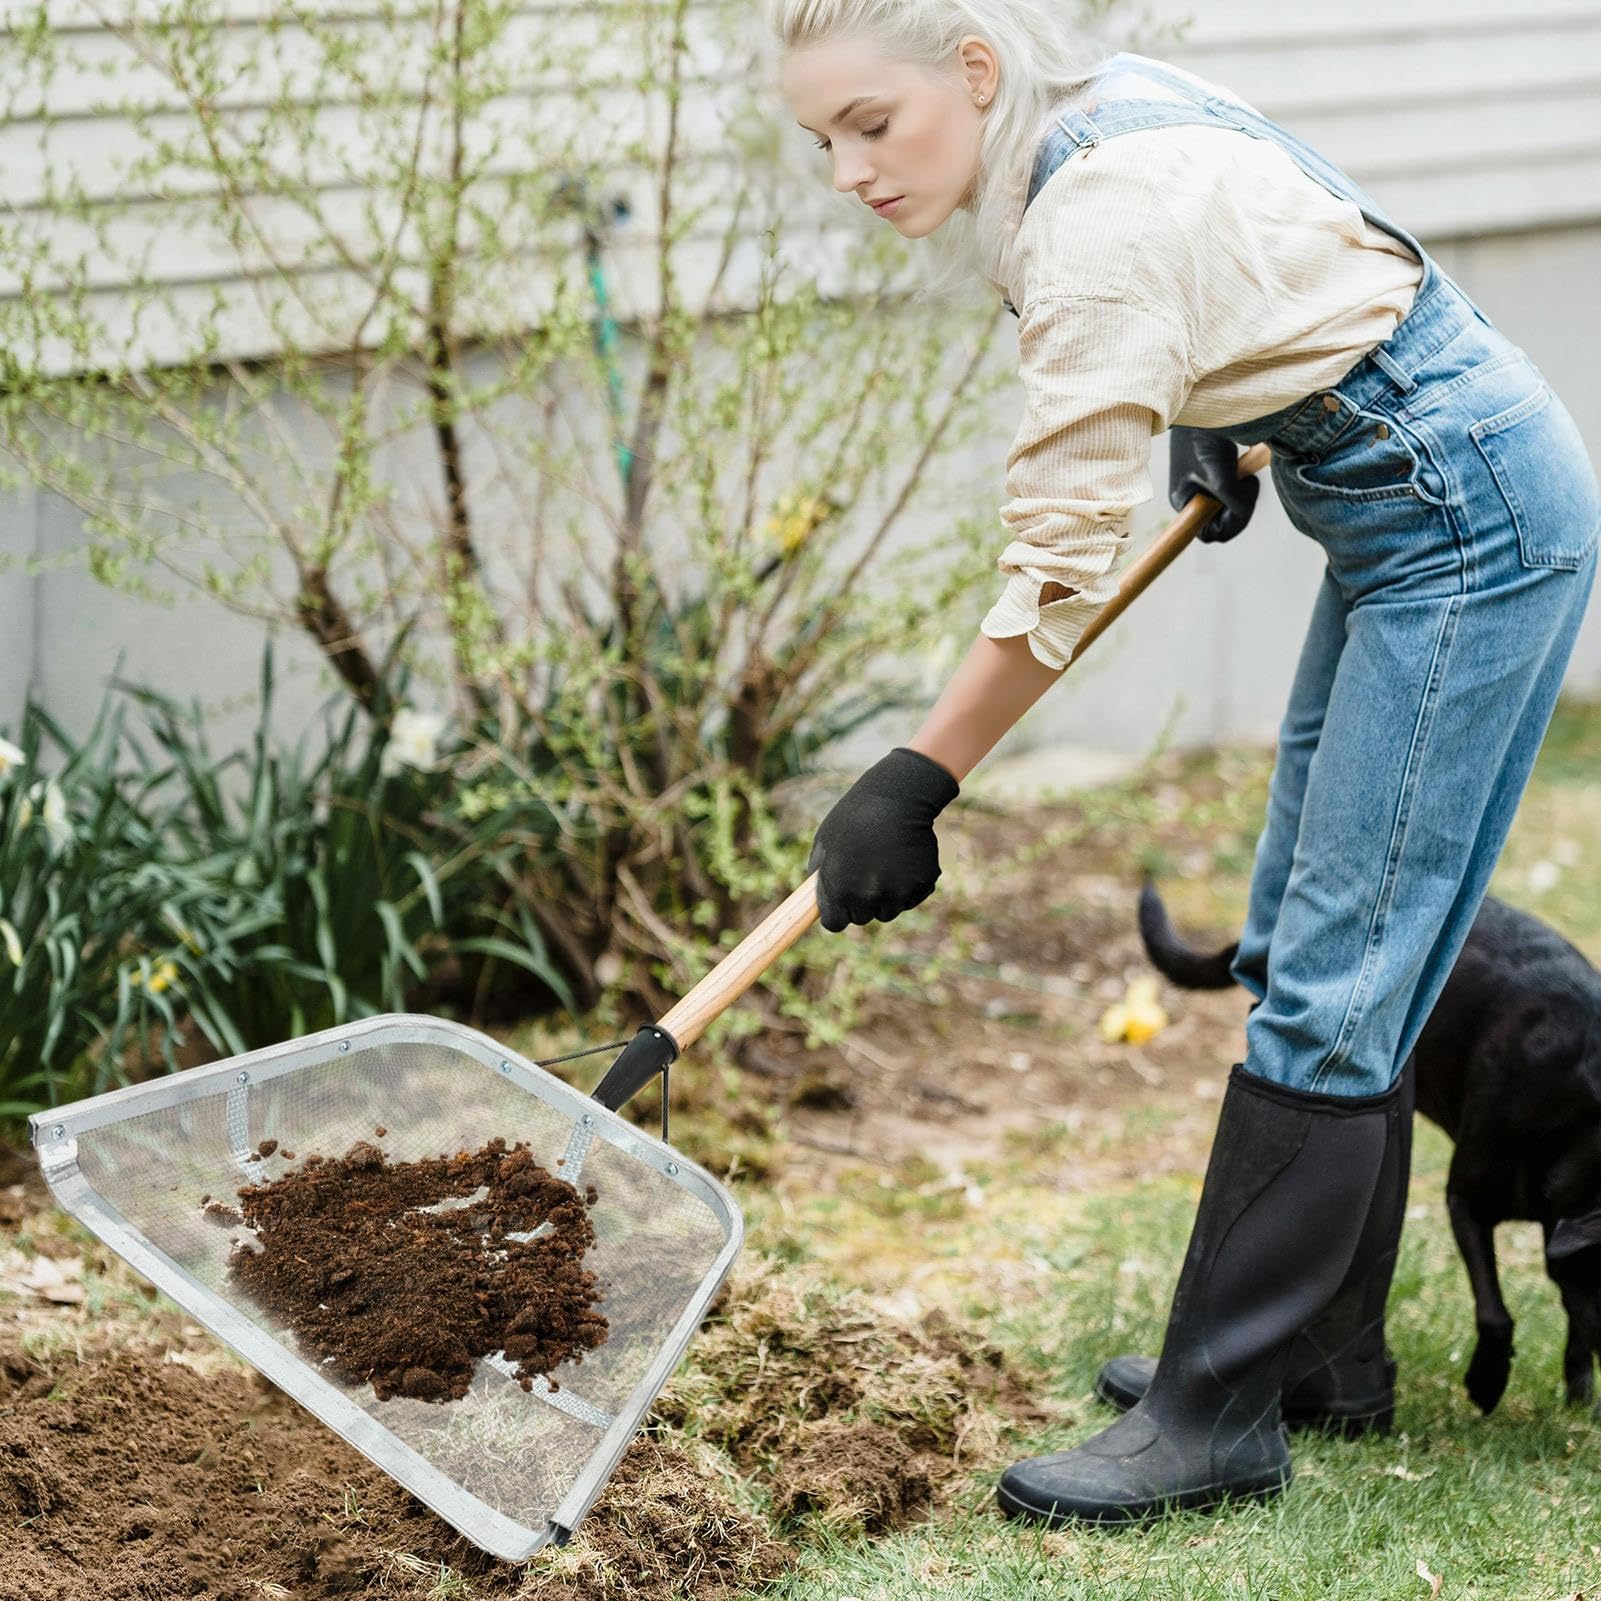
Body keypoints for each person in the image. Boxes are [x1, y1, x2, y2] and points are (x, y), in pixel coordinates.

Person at [769, 0, 1601, 1529]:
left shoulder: (1090, 217)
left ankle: (1213, 1413)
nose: (848, 171)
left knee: (1343, 955)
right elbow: (1296, 229)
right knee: (1298, 924)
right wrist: (1213, 402)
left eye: (869, 125)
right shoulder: (1091, 111)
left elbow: (1056, 574)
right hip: (1400, 503)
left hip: (1465, 523)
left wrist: (913, 775)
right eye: (821, 139)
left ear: (973, 70)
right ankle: (1321, 1355)